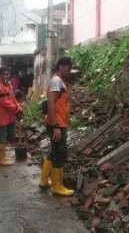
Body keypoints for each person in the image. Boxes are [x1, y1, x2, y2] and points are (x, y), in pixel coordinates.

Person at [38, 57, 74, 196]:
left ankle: (43, 180)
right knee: (59, 153)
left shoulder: (58, 81)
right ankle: (57, 186)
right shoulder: (56, 81)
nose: (69, 72)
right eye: (68, 68)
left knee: (54, 151)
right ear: (62, 67)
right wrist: (55, 126)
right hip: (57, 123)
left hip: (58, 122)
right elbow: (51, 103)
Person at [0, 66, 23, 166]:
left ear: (10, 75)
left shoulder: (8, 85)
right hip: (1, 116)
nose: (6, 76)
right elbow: (5, 102)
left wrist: (18, 107)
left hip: (9, 116)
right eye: (4, 74)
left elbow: (13, 98)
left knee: (11, 136)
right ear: (0, 75)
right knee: (2, 137)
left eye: (7, 74)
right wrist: (16, 109)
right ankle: (1, 159)